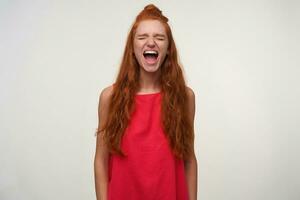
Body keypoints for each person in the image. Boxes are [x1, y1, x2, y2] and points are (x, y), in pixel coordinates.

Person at [94, 4, 197, 200]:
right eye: (142, 37)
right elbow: (101, 160)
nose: (151, 43)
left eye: (159, 37)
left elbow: (189, 160)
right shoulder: (110, 97)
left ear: (168, 49)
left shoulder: (186, 98)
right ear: (132, 48)